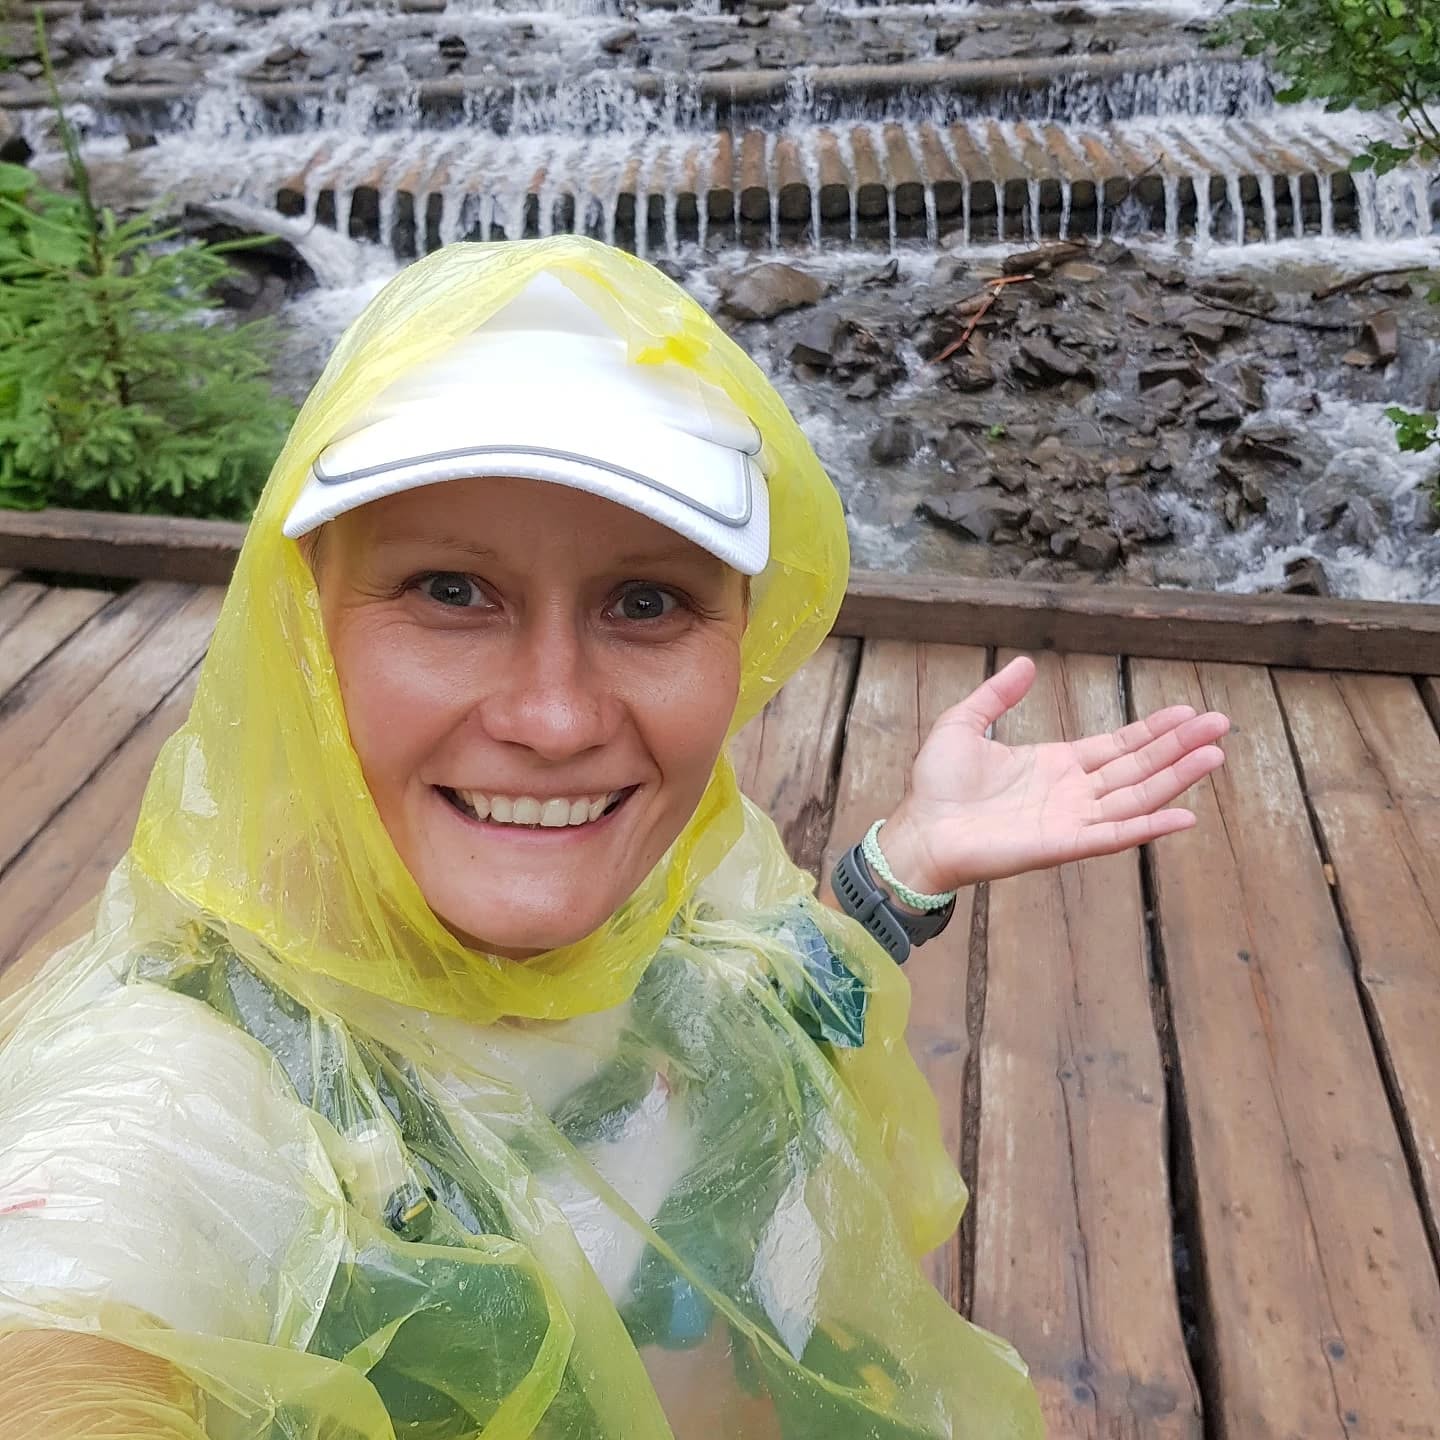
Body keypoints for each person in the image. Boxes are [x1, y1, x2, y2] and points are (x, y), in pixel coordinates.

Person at [0, 237, 1227, 1438]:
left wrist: (901, 870)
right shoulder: (178, 1074)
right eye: (449, 591)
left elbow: (738, 1009)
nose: (556, 718)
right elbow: (74, 1286)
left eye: (646, 602)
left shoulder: (666, 890)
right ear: (307, 628)